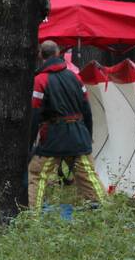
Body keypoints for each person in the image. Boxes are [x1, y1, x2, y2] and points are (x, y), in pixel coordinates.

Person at [28, 40, 105, 210]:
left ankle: (32, 219)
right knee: (88, 176)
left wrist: (30, 144)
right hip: (78, 134)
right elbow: (87, 110)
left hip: (53, 136)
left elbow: (34, 114)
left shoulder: (40, 80)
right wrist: (88, 135)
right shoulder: (76, 78)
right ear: (58, 54)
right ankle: (105, 214)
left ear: (41, 55)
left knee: (38, 175)